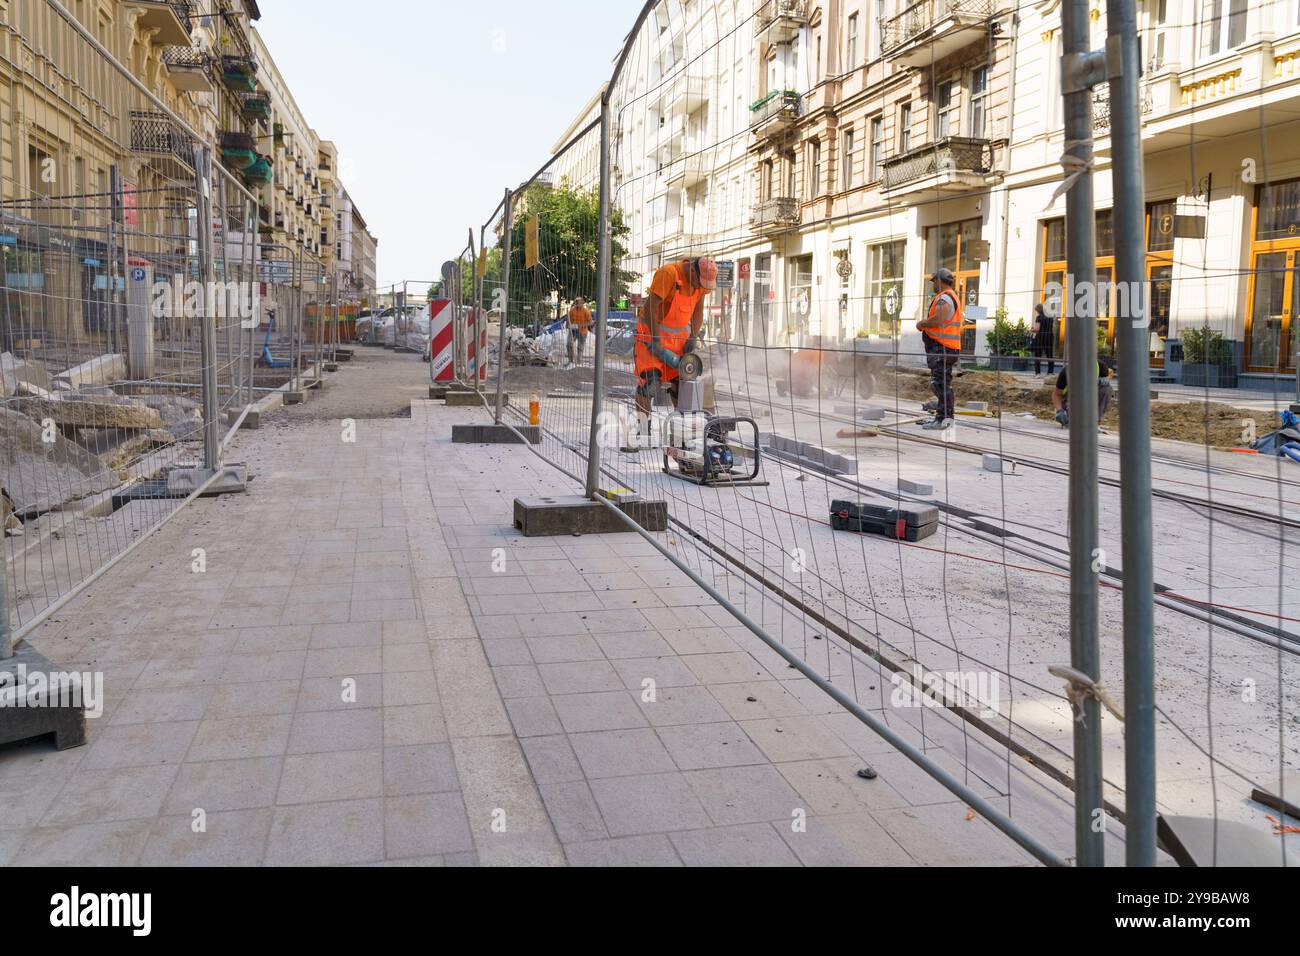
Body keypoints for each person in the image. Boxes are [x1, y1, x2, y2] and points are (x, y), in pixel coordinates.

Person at [634, 257, 717, 439]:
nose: (698, 286)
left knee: (682, 385)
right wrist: (656, 340)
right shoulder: (669, 274)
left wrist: (693, 336)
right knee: (650, 384)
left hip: (678, 340)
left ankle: (680, 430)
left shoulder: (701, 284)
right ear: (693, 270)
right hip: (651, 334)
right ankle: (643, 429)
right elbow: (650, 308)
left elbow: (698, 311)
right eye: (698, 282)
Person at [915, 267, 962, 430]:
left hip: (942, 348)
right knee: (943, 384)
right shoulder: (950, 296)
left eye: (934, 281)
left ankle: (944, 419)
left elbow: (940, 318)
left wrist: (922, 323)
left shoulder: (945, 298)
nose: (933, 284)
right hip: (947, 348)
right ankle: (944, 418)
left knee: (939, 384)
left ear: (940, 281)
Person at [1053, 358, 1114, 428]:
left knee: (1106, 388)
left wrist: (1106, 378)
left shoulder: (1099, 365)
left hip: (1088, 394)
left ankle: (1094, 422)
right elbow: (1056, 394)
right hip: (1071, 398)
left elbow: (1110, 372)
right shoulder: (1067, 371)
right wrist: (1059, 410)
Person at [1031, 302, 1057, 376]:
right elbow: (1053, 326)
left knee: (1037, 355)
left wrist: (1032, 329)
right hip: (1049, 337)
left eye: (1036, 311)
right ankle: (1050, 372)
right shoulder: (1050, 317)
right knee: (1049, 355)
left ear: (1038, 310)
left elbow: (1037, 329)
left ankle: (1038, 373)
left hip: (1040, 337)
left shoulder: (1039, 317)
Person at [567, 296, 593, 364]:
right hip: (573, 331)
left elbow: (591, 322)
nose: (577, 303)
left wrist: (581, 325)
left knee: (580, 348)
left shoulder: (586, 311)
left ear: (582, 303)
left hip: (582, 332)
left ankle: (578, 362)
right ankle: (570, 361)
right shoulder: (572, 310)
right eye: (576, 302)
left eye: (578, 302)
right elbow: (568, 320)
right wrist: (569, 325)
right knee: (569, 344)